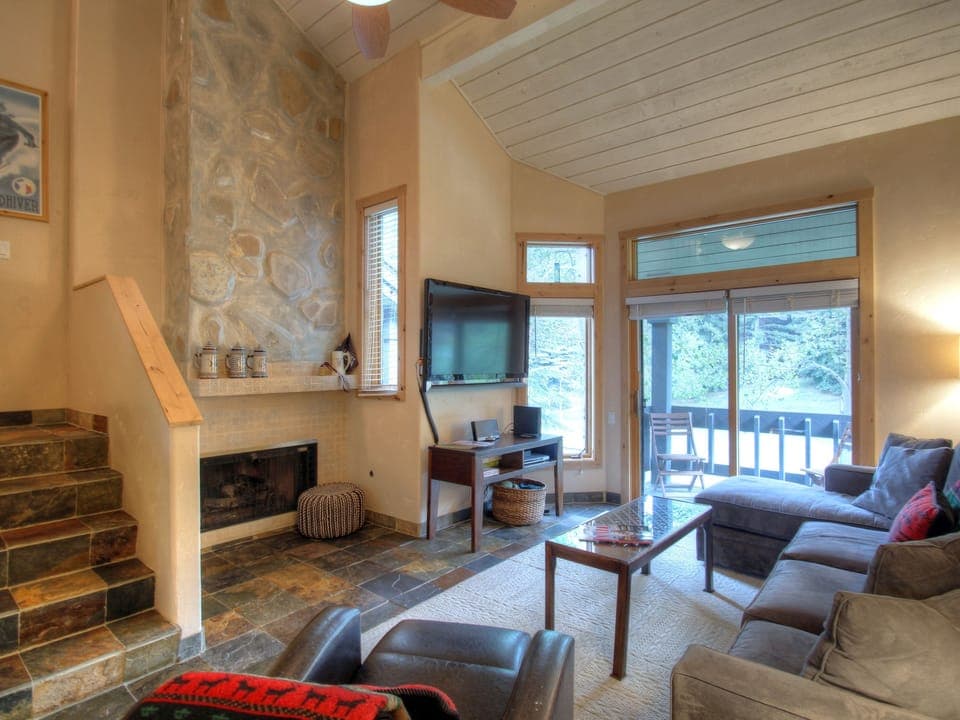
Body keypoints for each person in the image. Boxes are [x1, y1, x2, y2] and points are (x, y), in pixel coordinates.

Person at [0, 101, 37, 170]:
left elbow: (20, 128)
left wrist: (30, 140)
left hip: (11, 139)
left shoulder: (5, 119)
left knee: (0, 150)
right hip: (2, 137)